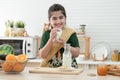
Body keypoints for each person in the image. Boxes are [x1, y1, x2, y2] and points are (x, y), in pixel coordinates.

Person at [39, 3, 80, 68]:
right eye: (54, 18)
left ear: (65, 18)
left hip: (69, 68)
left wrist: (64, 44)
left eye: (61, 18)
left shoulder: (71, 33)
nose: (58, 21)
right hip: (50, 70)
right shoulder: (46, 34)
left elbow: (76, 54)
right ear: (49, 20)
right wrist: (50, 40)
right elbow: (43, 55)